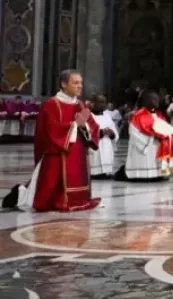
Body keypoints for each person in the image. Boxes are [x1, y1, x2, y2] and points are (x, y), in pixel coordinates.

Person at [1, 70, 101, 212]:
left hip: (77, 154)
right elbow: (50, 130)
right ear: (63, 84)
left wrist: (85, 126)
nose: (80, 86)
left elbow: (93, 126)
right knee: (47, 195)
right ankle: (19, 194)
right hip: (57, 155)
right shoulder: (51, 104)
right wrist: (74, 125)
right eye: (76, 82)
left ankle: (79, 199)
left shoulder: (80, 105)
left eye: (81, 83)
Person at [123, 91, 173, 180]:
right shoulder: (138, 115)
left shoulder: (159, 115)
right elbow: (133, 132)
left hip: (157, 146)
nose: (157, 101)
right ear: (145, 101)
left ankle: (159, 173)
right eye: (153, 99)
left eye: (157, 99)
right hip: (145, 149)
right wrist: (152, 138)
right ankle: (142, 175)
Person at [89, 94, 118, 180]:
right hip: (95, 147)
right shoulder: (88, 116)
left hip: (107, 144)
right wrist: (101, 132)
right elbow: (85, 132)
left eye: (104, 102)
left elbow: (115, 131)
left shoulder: (107, 116)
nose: (103, 105)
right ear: (93, 103)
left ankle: (106, 172)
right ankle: (93, 173)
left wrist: (112, 133)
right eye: (100, 102)